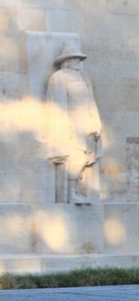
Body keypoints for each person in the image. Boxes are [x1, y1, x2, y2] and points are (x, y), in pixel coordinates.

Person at [44, 42, 102, 204]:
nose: (78, 62)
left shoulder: (84, 78)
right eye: (74, 58)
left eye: (79, 59)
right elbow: (59, 103)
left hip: (87, 125)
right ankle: (70, 192)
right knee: (75, 158)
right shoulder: (59, 77)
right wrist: (64, 126)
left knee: (85, 158)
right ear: (67, 61)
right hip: (72, 126)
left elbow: (91, 102)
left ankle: (76, 191)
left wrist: (96, 122)